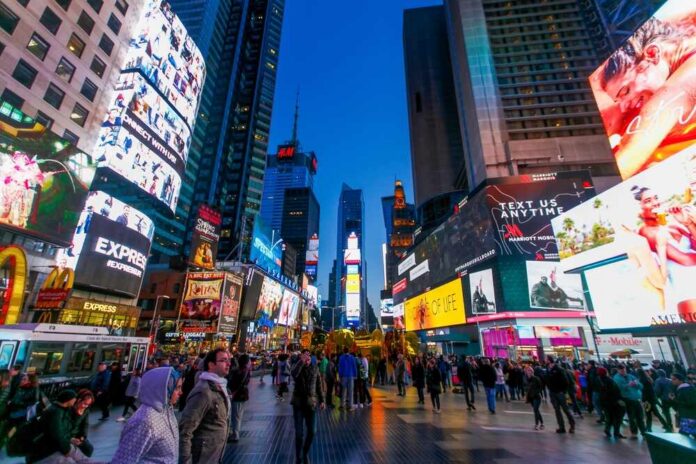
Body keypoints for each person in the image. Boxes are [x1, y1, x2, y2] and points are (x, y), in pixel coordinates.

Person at [591, 15, 696, 178]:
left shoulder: (682, 82)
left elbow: (624, 164)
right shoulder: (678, 44)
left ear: (652, 54)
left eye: (625, 91)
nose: (625, 106)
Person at [111, 367, 182, 464]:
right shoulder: (145, 422)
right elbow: (123, 461)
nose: (181, 392)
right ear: (163, 388)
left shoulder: (166, 410)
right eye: (177, 388)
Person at [179, 348, 231, 464]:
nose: (228, 364)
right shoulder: (203, 392)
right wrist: (186, 461)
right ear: (211, 365)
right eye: (223, 360)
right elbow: (185, 431)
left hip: (214, 455)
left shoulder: (220, 387)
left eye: (228, 360)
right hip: (201, 457)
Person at [291, 349, 325, 464]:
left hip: (311, 403)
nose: (307, 359)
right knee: (299, 434)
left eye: (308, 357)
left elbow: (319, 385)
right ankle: (298, 457)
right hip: (298, 403)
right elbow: (293, 374)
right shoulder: (298, 367)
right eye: (304, 357)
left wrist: (322, 400)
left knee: (312, 431)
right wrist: (301, 362)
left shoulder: (315, 368)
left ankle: (305, 452)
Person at [613, 364, 646, 438]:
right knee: (632, 417)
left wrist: (637, 384)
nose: (623, 371)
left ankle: (644, 432)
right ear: (618, 370)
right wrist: (629, 385)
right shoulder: (616, 378)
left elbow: (641, 386)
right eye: (621, 370)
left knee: (640, 416)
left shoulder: (631, 376)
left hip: (636, 399)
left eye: (624, 370)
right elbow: (619, 388)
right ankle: (634, 432)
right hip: (627, 399)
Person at [547, 357, 575, 434]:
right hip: (553, 393)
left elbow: (566, 382)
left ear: (550, 361)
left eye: (547, 360)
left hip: (560, 393)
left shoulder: (559, 369)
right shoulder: (549, 370)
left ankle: (572, 424)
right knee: (557, 410)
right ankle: (561, 427)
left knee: (565, 409)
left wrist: (563, 391)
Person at [597, 367, 626, 439]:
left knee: (609, 417)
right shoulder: (609, 380)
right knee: (618, 418)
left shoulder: (598, 380)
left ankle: (607, 430)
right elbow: (615, 391)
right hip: (613, 402)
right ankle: (616, 432)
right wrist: (619, 399)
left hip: (604, 402)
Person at [227, 354, 251, 442]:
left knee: (235, 415)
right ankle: (235, 433)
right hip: (241, 395)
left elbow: (232, 383)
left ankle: (235, 434)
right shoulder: (243, 371)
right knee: (237, 415)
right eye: (249, 361)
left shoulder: (239, 371)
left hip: (237, 395)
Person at [69, 389, 95, 457]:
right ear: (79, 400)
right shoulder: (70, 409)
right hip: (68, 435)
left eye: (88, 405)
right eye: (84, 403)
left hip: (78, 435)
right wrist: (71, 439)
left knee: (89, 448)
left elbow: (85, 424)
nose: (85, 406)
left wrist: (82, 437)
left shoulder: (86, 410)